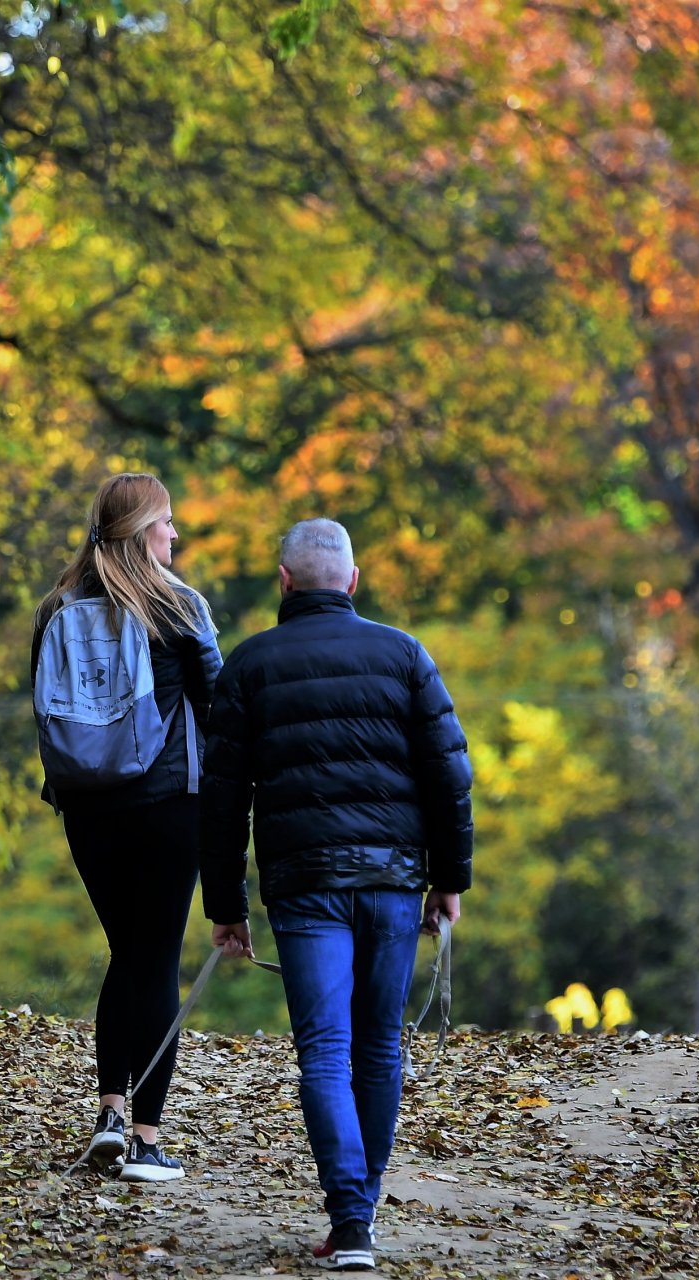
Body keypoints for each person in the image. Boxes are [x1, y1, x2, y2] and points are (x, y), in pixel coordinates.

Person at [199, 518, 473, 1270]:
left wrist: (226, 903)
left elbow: (220, 800)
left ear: (285, 582)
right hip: (391, 881)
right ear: (351, 581)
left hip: (305, 883)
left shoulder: (249, 666)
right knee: (379, 1045)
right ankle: (364, 1213)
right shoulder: (404, 654)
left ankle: (351, 1222)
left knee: (324, 1051)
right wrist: (448, 879)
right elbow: (451, 777)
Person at [32, 472, 222, 1182]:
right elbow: (217, 705)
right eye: (167, 522)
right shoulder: (179, 608)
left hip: (89, 809)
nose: (175, 534)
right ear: (144, 529)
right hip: (170, 803)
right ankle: (146, 1139)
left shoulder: (57, 607)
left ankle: (110, 1111)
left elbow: (45, 709)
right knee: (156, 961)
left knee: (125, 954)